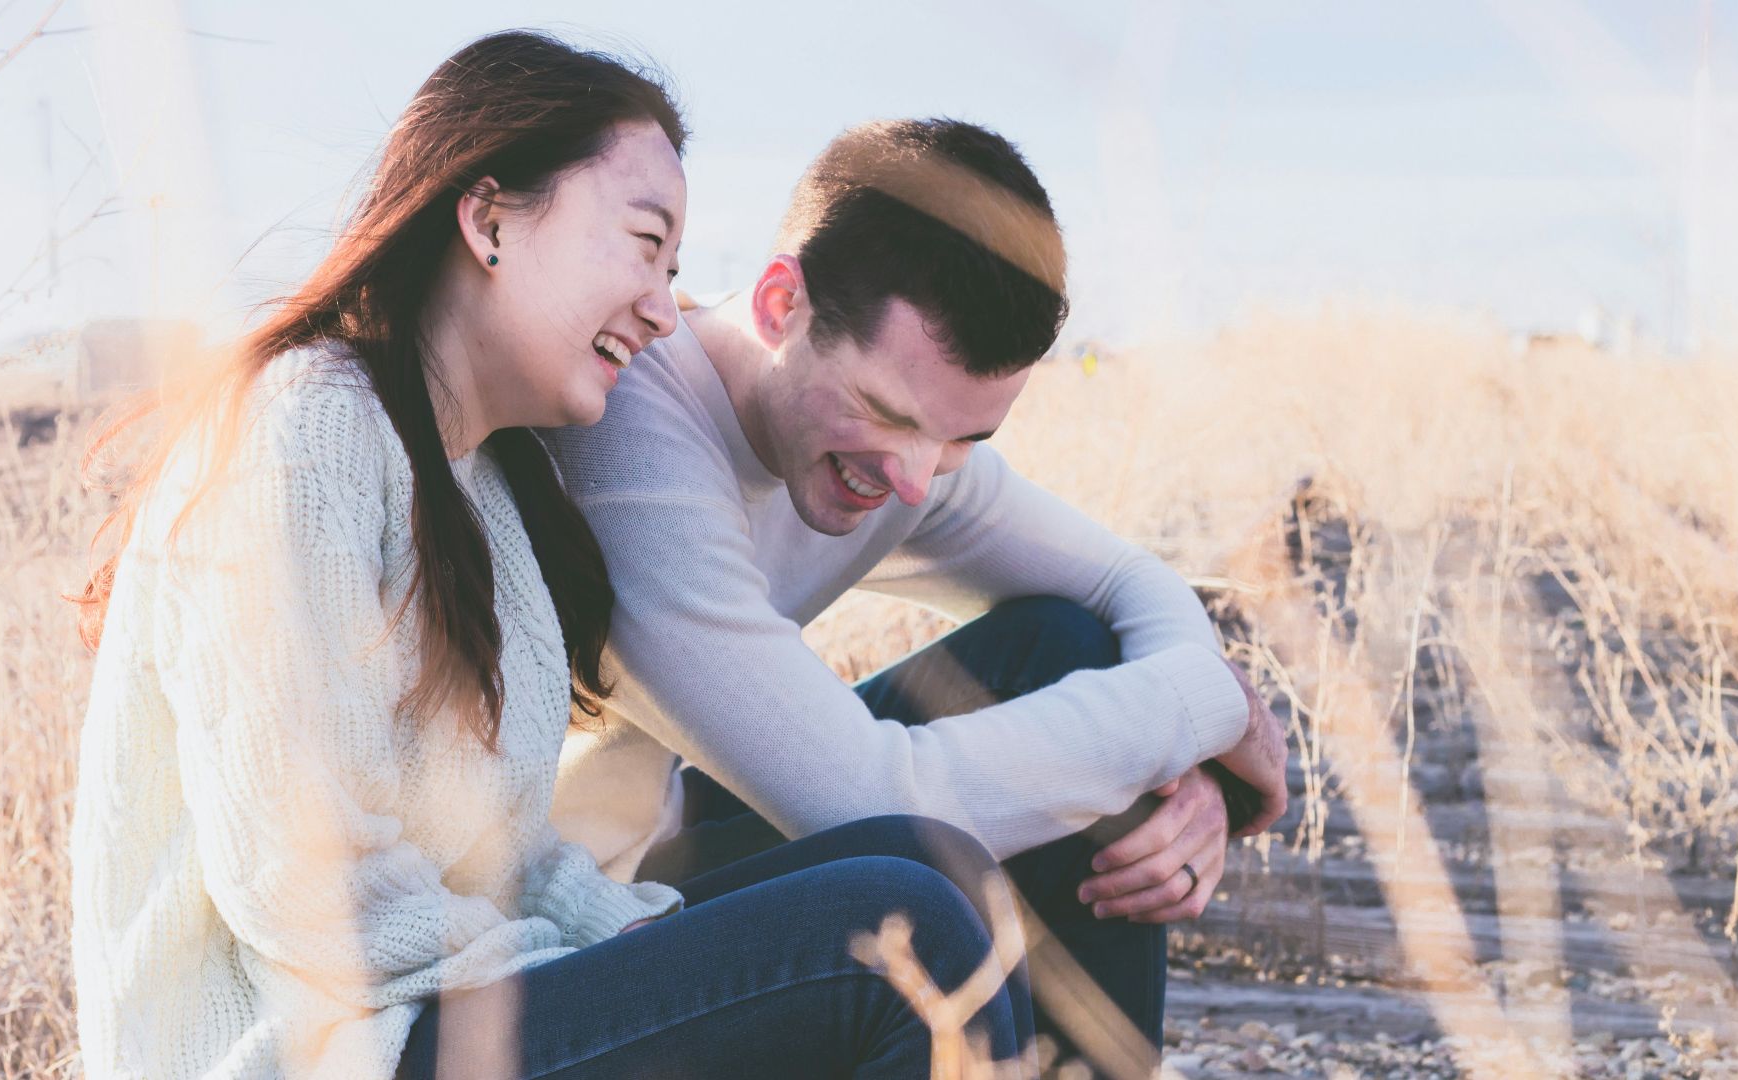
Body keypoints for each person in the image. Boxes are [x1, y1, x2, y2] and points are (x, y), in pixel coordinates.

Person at [69, 35, 1028, 1080]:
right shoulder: (303, 430)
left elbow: (501, 858)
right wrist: (584, 964)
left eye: (673, 269)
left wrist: (617, 936)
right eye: (643, 243)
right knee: (897, 938)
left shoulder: (482, 486)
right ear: (487, 219)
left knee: (936, 864)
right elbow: (308, 889)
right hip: (319, 1050)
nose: (666, 307)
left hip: (441, 1011)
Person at [539, 117, 1289, 1055]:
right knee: (927, 889)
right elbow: (867, 801)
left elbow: (1126, 581)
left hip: (662, 847)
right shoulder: (631, 436)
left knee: (1065, 648)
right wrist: (1202, 708)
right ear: (781, 305)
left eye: (965, 439)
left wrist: (1184, 773)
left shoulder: (910, 452)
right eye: (887, 414)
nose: (914, 477)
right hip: (559, 933)